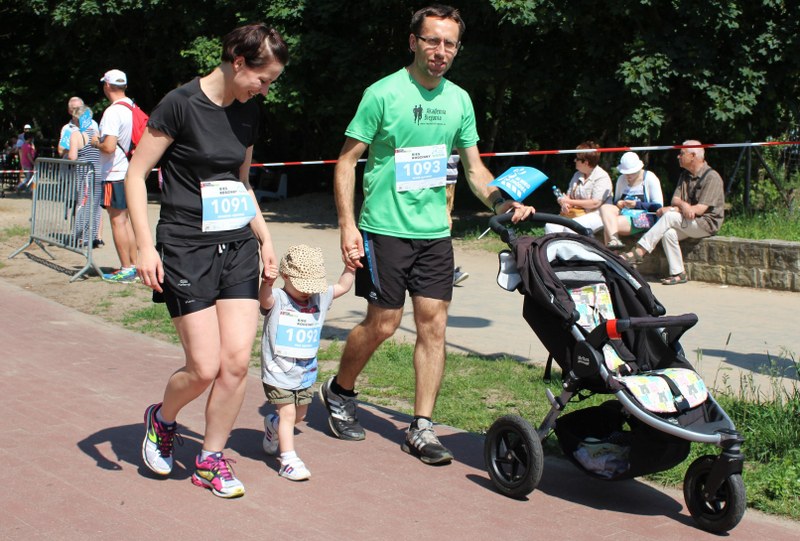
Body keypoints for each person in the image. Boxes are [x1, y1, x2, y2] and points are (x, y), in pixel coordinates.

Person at [322, 4, 534, 466]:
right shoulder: (382, 93)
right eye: (433, 40)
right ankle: (340, 390)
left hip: (435, 233)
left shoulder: (460, 100)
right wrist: (347, 225)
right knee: (382, 324)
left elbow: (475, 170)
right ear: (413, 42)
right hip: (383, 229)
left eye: (449, 43)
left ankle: (421, 427)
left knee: (434, 326)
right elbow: (346, 161)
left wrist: (501, 202)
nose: (441, 51)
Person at [125, 23, 288, 499]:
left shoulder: (249, 110)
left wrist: (264, 237)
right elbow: (135, 175)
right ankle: (162, 419)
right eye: (263, 79)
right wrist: (144, 247)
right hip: (185, 247)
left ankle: (210, 460)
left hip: (236, 244)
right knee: (203, 366)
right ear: (238, 62)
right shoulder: (179, 104)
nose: (265, 89)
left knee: (235, 364)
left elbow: (242, 181)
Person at [259, 244, 355, 481]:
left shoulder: (319, 297)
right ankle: (288, 460)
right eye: (302, 286)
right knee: (288, 413)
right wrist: (267, 283)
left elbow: (343, 286)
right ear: (285, 276)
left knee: (299, 416)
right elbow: (265, 299)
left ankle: (273, 425)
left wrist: (350, 267)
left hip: (305, 373)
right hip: (278, 371)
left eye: (310, 287)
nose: (306, 292)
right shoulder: (279, 298)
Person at [621, 141, 725, 285]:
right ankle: (678, 273)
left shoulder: (712, 177)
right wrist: (682, 206)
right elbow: (675, 200)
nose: (678, 156)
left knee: (669, 216)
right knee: (668, 233)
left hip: (705, 223)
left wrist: (677, 209)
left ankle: (639, 251)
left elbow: (700, 210)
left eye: (681, 153)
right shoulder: (685, 175)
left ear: (693, 155)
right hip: (688, 220)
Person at [91, 69, 138, 282]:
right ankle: (134, 266)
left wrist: (95, 142)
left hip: (114, 172)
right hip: (128, 170)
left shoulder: (112, 112)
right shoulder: (131, 107)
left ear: (107, 86)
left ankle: (126, 268)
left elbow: (109, 147)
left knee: (117, 222)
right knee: (125, 221)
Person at [545, 141, 612, 234]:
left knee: (572, 227)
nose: (574, 160)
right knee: (550, 225)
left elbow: (595, 203)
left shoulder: (602, 177)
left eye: (577, 159)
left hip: (595, 214)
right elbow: (568, 196)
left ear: (586, 162)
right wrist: (564, 204)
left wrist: (569, 201)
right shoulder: (577, 175)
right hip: (575, 213)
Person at [600, 151, 664, 249]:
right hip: (625, 212)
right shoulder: (621, 179)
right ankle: (614, 241)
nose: (628, 176)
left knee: (609, 226)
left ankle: (612, 251)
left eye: (632, 173)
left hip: (644, 217)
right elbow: (616, 201)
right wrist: (619, 203)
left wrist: (636, 204)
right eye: (626, 173)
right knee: (605, 208)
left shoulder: (650, 178)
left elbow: (658, 207)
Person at [67, 105, 102, 247]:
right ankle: (91, 236)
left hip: (84, 173)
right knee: (95, 205)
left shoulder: (76, 135)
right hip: (98, 171)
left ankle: (78, 236)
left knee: (83, 204)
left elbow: (72, 156)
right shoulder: (97, 133)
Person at [446, 152, 469, 285]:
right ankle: (448, 272)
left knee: (445, 225)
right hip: (434, 183)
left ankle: (447, 271)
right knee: (445, 225)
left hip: (450, 183)